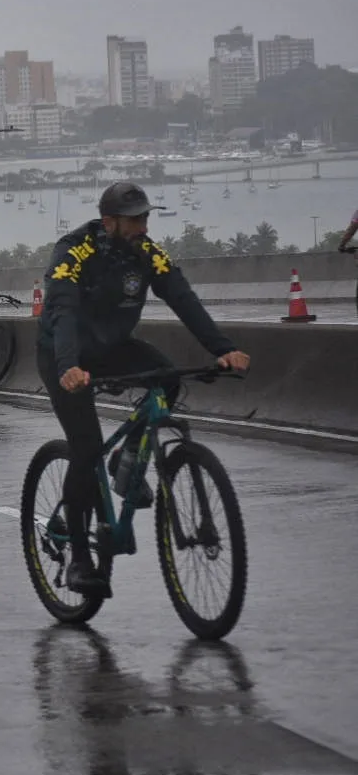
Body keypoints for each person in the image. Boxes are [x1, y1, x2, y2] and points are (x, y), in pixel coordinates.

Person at [39, 182, 250, 597]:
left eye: (144, 217)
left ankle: (128, 459)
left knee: (167, 378)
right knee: (85, 450)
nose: (142, 226)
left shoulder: (147, 253)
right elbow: (61, 310)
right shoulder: (74, 251)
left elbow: (182, 297)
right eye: (134, 219)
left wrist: (224, 349)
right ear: (109, 221)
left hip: (113, 347)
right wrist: (68, 367)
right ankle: (81, 558)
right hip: (65, 356)